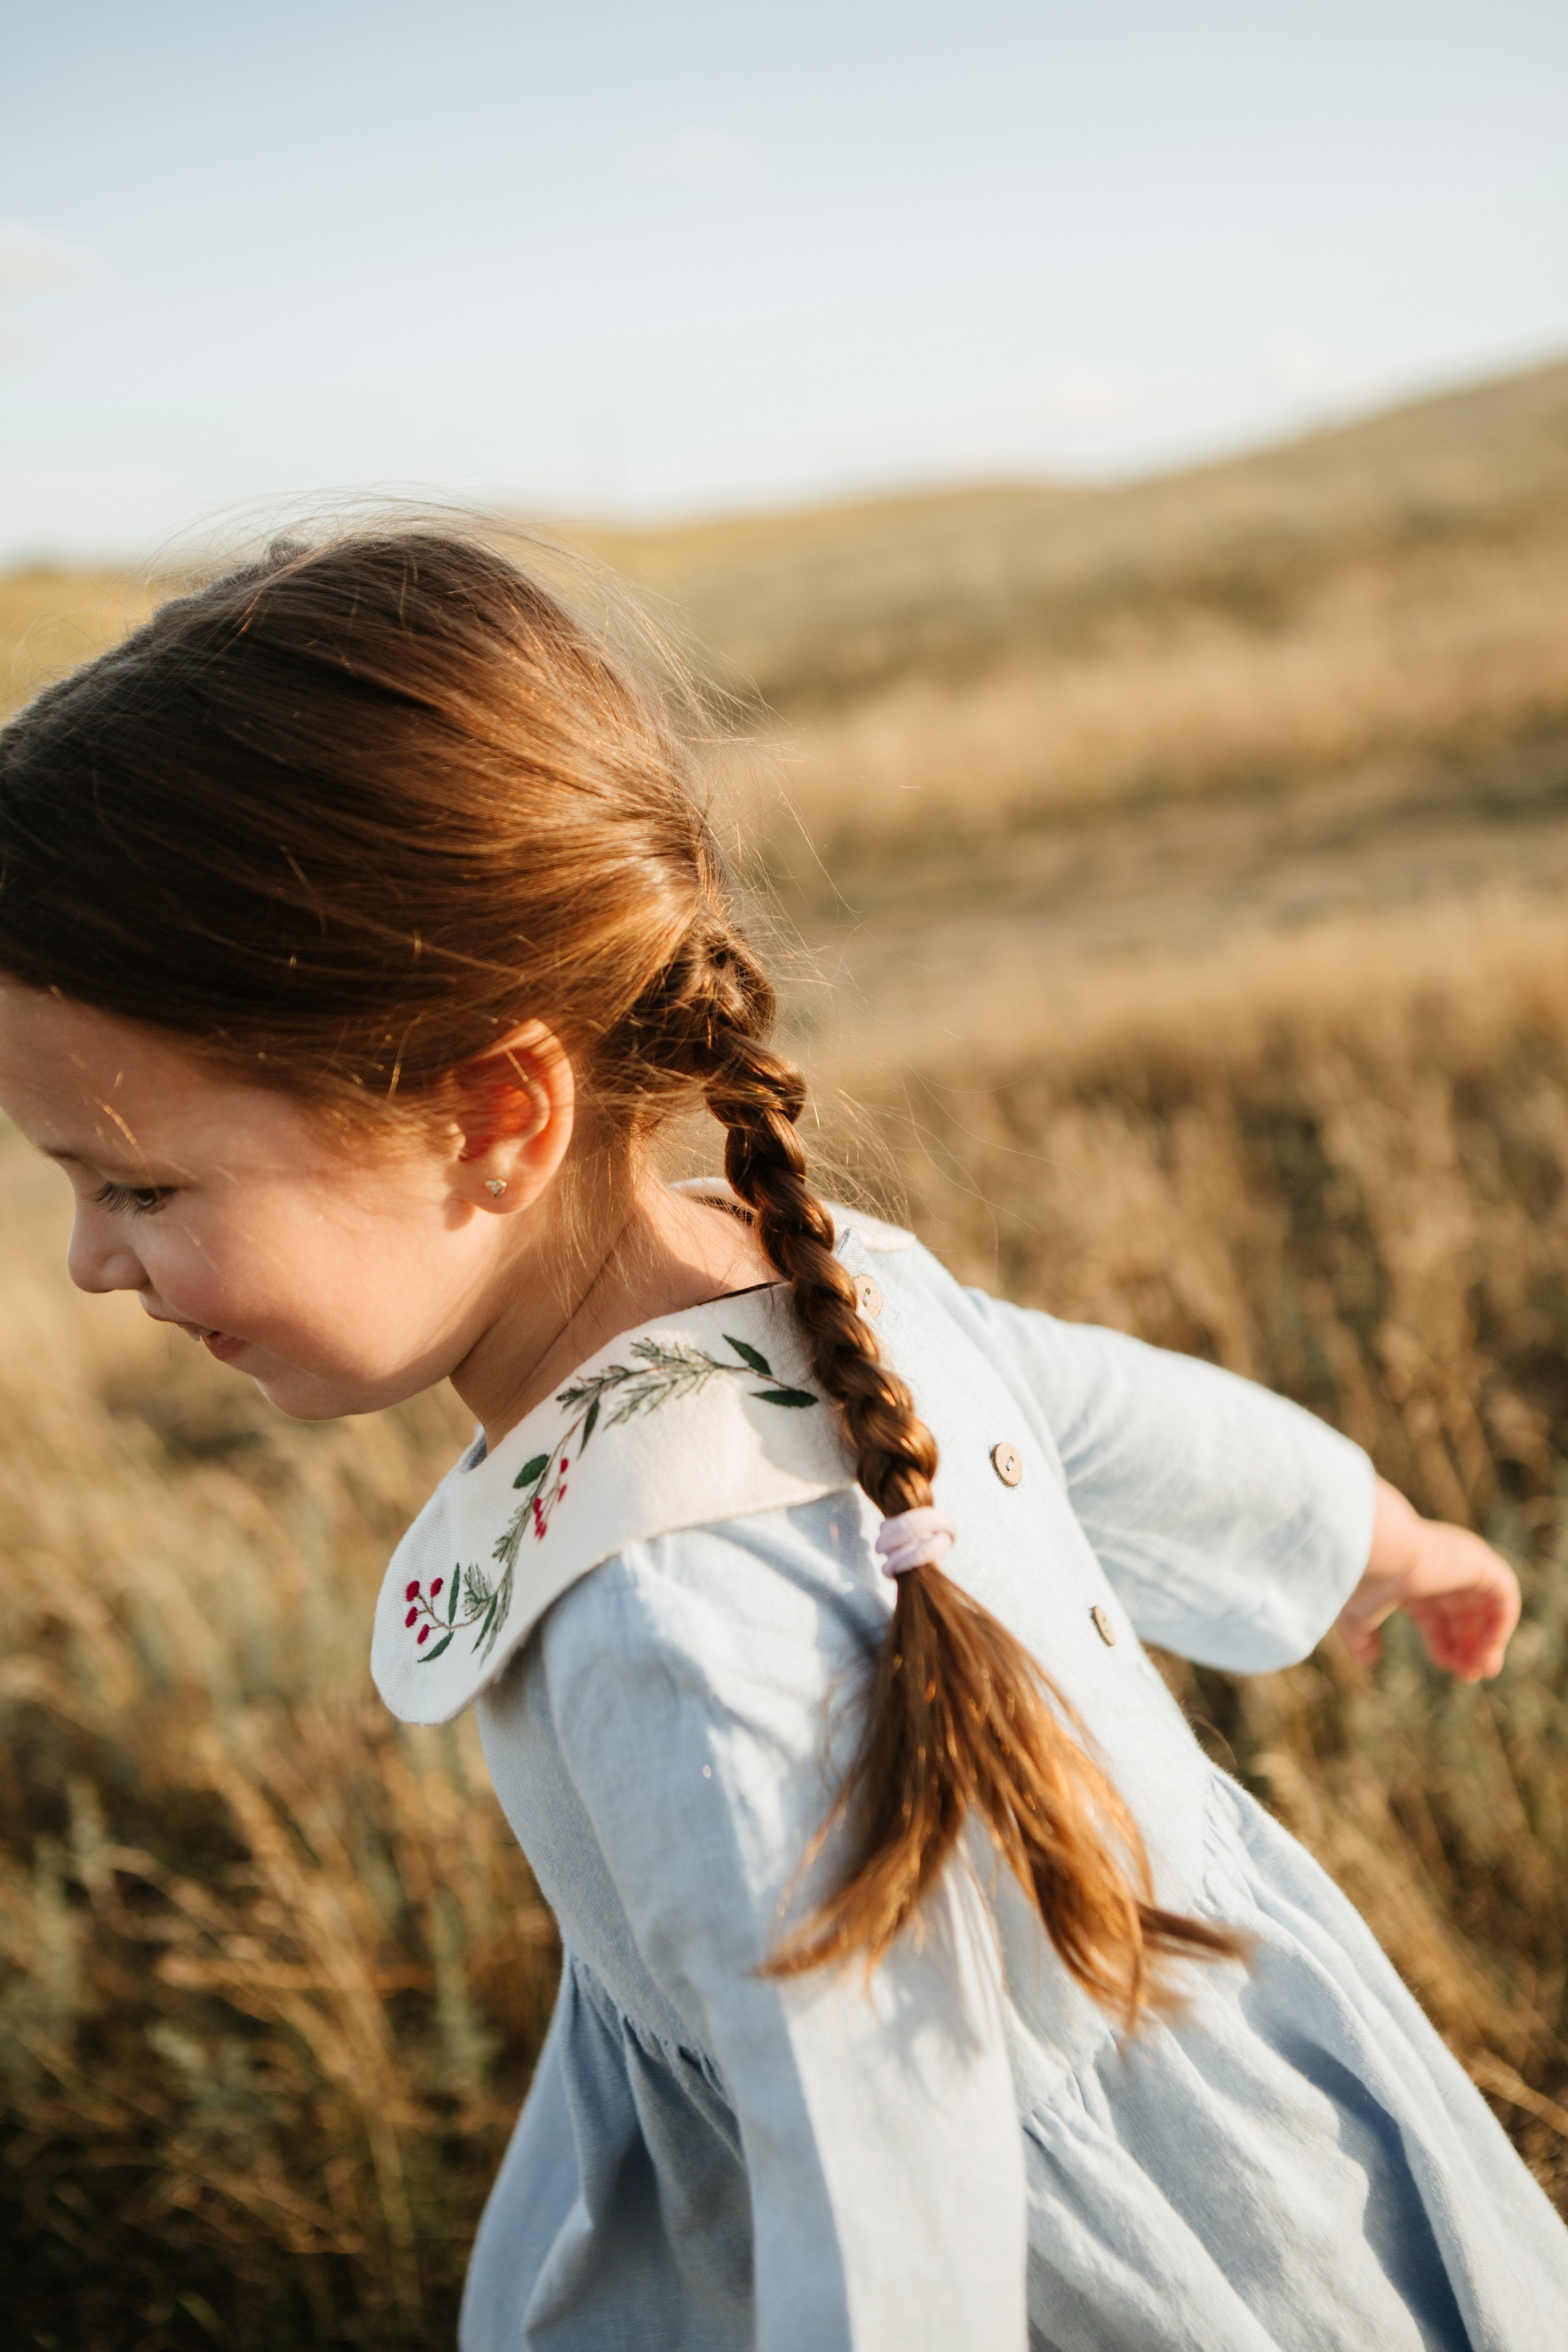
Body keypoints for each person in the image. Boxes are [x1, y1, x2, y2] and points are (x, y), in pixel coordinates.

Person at [0, 526, 1558, 2352]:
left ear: (496, 1114)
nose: (99, 1262)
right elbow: (1093, 1404)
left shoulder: (674, 1638)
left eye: (145, 1182)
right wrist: (1364, 1527)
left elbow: (882, 2208)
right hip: (1253, 2160)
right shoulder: (832, 1285)